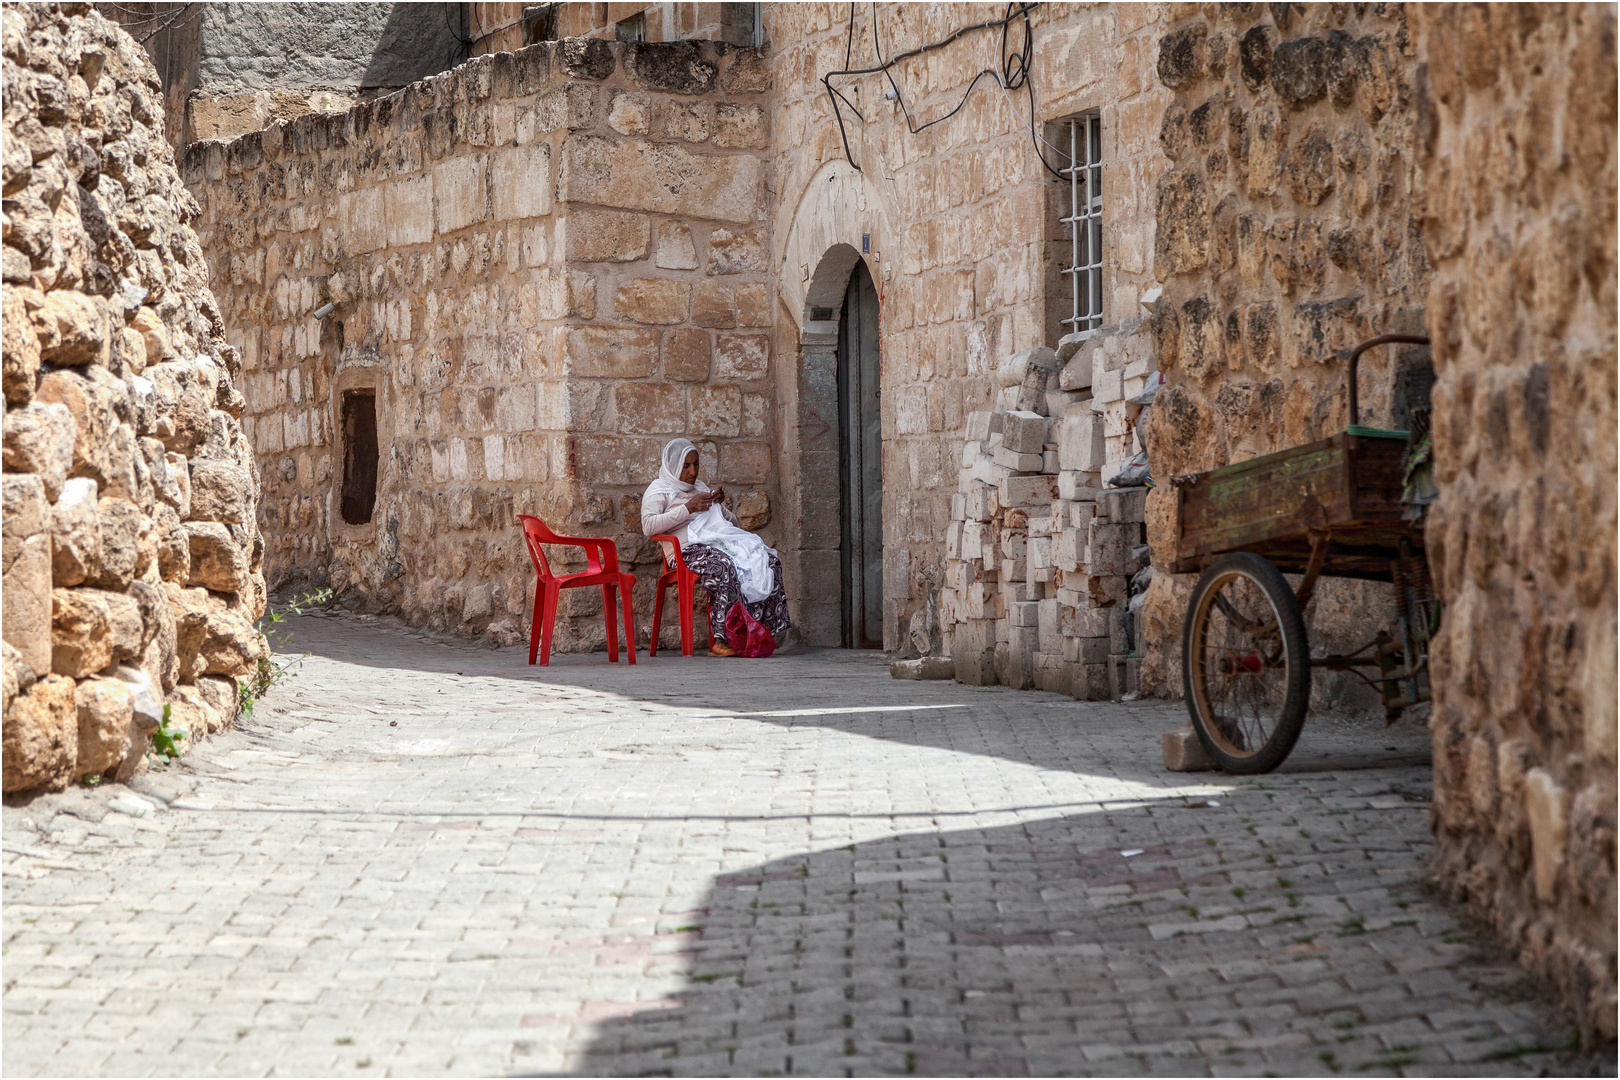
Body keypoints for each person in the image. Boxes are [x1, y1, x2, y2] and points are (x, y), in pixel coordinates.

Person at [641, 438, 790, 657]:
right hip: (684, 551)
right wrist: (687, 508)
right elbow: (648, 526)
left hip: (715, 543)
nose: (693, 471)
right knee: (722, 565)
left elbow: (731, 525)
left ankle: (758, 631)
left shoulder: (700, 488)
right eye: (686, 465)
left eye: (696, 464)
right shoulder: (659, 491)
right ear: (673, 466)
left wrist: (719, 506)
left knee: (765, 559)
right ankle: (724, 639)